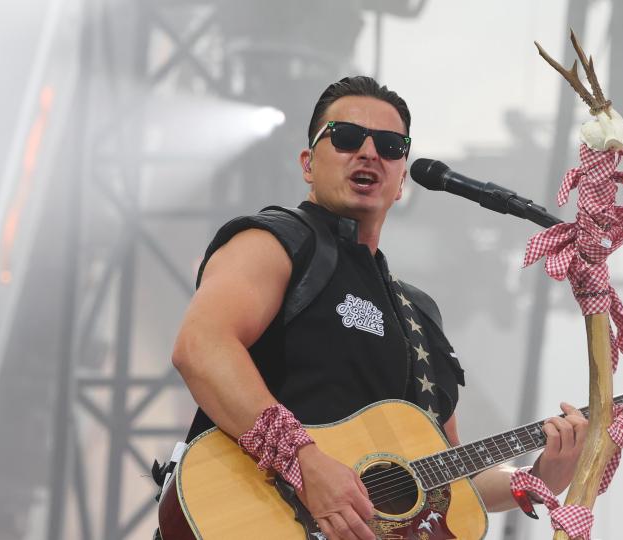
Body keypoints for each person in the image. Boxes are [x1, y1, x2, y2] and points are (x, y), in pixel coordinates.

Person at [171, 75, 587, 540]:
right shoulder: (276, 241)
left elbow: (438, 473)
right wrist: (304, 463)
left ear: (402, 179)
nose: (369, 153)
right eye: (347, 138)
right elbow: (201, 347)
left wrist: (532, 482)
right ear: (308, 163)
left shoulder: (420, 313)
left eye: (390, 145)